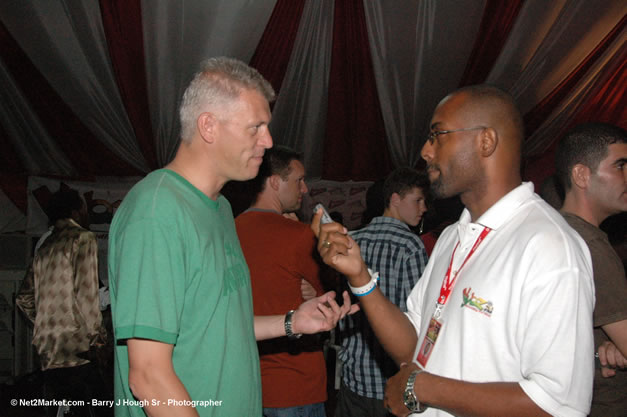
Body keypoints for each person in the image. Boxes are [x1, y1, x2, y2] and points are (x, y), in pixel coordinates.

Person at [314, 84, 595, 417]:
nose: (425, 151)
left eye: (438, 135)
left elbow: (559, 404)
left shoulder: (548, 246)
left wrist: (422, 387)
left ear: (485, 141)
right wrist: (359, 277)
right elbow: (414, 345)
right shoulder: (452, 237)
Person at [108, 57, 356, 417]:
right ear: (208, 126)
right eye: (255, 127)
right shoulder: (157, 212)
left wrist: (291, 321)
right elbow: (148, 376)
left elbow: (216, 325)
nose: (268, 141)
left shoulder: (220, 208)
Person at [235, 145, 329, 417]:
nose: (305, 189)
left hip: (248, 383)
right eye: (299, 180)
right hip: (296, 384)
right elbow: (329, 304)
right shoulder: (299, 236)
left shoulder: (230, 229)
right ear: (275, 182)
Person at [336, 167, 429, 417]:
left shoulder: (354, 239)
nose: (424, 208)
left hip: (353, 375)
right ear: (395, 199)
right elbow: (417, 321)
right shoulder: (410, 245)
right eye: (418, 200)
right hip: (390, 383)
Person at [555, 122, 627, 417]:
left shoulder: (553, 230)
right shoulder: (590, 245)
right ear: (582, 175)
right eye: (620, 166)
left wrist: (607, 346)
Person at [16, 187, 107, 417]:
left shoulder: (45, 247)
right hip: (79, 349)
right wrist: (98, 340)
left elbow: (24, 298)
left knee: (61, 408)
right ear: (75, 212)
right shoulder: (82, 238)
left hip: (50, 348)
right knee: (96, 407)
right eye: (84, 209)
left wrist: (49, 324)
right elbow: (88, 298)